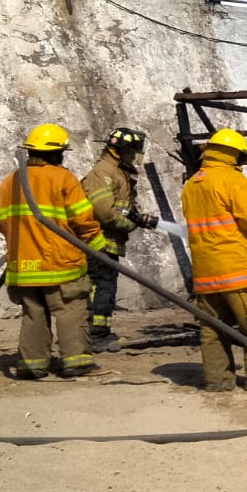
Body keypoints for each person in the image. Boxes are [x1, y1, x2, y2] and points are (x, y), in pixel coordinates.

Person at [0, 123, 107, 379]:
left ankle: (32, 365)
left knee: (34, 313)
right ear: (57, 153)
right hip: (59, 263)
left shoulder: (10, 181)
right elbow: (82, 220)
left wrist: (24, 243)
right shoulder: (62, 177)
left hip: (23, 267)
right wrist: (100, 247)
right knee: (71, 309)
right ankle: (76, 362)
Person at [181, 129, 247, 393]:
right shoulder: (233, 181)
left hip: (205, 272)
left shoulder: (192, 184)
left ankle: (218, 380)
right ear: (234, 154)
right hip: (239, 270)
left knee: (213, 330)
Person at [80, 127, 159, 353]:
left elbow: (120, 207)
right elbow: (105, 213)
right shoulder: (102, 173)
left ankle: (100, 333)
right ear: (121, 150)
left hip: (109, 243)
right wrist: (131, 223)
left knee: (106, 288)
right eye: (132, 151)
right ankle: (95, 336)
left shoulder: (118, 173)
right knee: (100, 289)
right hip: (98, 242)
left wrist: (137, 216)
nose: (134, 157)